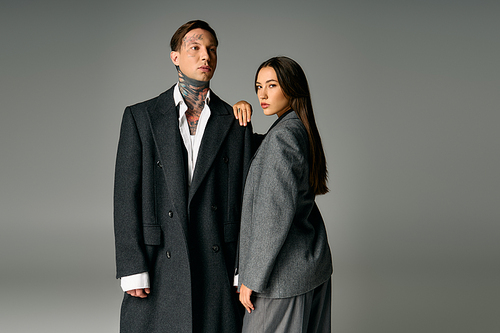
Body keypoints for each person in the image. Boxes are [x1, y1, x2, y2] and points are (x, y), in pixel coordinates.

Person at [113, 20, 253, 333]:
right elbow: (126, 195)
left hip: (216, 258)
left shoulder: (234, 122)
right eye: (196, 48)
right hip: (157, 258)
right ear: (175, 56)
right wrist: (132, 267)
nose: (206, 56)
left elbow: (247, 199)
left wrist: (241, 269)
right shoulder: (141, 117)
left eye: (212, 50)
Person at [235, 56, 333, 332]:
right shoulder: (299, 129)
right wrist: (240, 122)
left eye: (272, 85)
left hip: (280, 278)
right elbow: (261, 154)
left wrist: (252, 278)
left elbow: (273, 216)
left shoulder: (281, 138)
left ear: (291, 87)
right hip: (310, 266)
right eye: (258, 87)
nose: (262, 95)